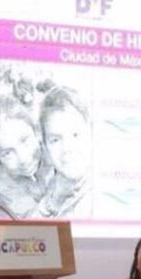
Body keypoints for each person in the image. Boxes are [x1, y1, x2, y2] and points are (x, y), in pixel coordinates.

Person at [36, 87, 91, 218]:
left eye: (75, 135)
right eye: (55, 140)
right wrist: (55, 200)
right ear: (45, 148)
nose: (66, 148)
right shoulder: (54, 184)